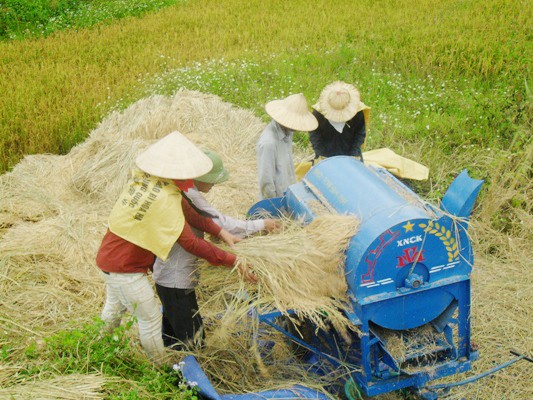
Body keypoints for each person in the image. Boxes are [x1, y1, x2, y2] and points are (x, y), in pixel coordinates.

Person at [95, 131, 255, 363]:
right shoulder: (163, 200)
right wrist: (233, 260)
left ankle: (98, 349)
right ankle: (159, 368)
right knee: (149, 319)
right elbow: (190, 242)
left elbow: (189, 211)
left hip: (110, 257)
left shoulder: (153, 183)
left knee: (113, 310)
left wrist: (220, 232)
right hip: (124, 268)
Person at [153, 149, 279, 349]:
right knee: (192, 341)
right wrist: (261, 225)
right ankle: (180, 373)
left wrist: (221, 234)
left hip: (171, 277)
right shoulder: (188, 195)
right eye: (211, 179)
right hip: (175, 279)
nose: (213, 184)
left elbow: (205, 222)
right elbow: (205, 233)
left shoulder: (182, 192)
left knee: (173, 336)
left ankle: (171, 365)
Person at [256, 93, 318, 199]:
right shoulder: (269, 143)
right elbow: (266, 181)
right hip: (276, 200)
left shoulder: (287, 132)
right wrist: (274, 204)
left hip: (288, 193)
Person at [309, 81, 370, 161]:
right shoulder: (318, 112)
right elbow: (314, 135)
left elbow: (360, 134)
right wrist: (321, 154)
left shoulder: (357, 112)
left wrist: (354, 155)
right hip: (326, 152)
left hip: (350, 151)